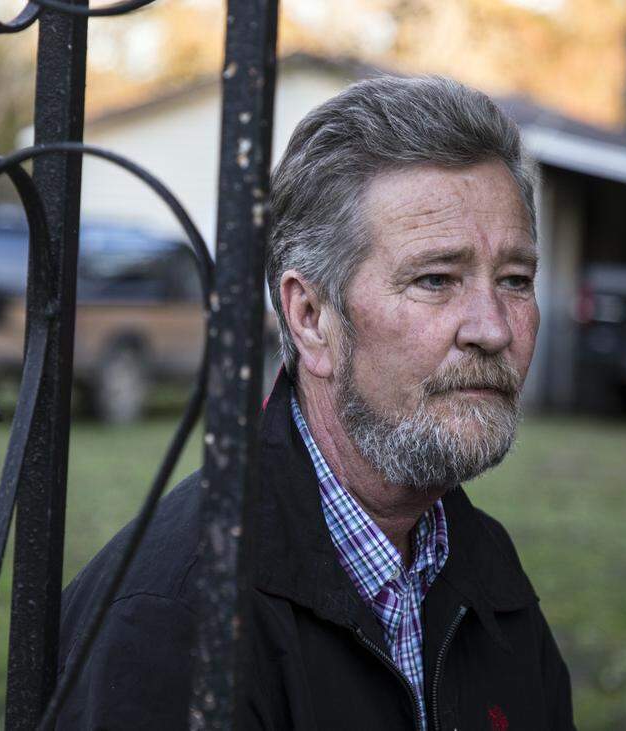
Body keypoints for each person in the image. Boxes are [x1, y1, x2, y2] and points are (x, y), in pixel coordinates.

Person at [57, 74, 576, 730]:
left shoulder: (480, 563)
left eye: (515, 280)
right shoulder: (178, 615)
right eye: (436, 279)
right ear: (309, 317)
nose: (492, 327)